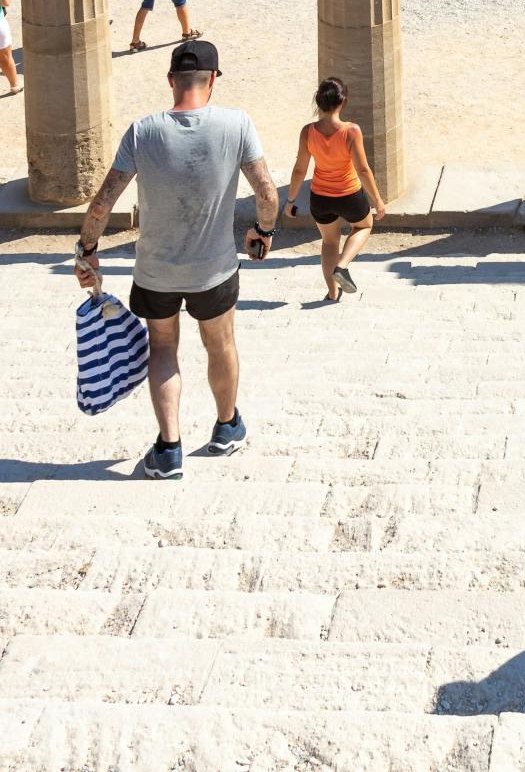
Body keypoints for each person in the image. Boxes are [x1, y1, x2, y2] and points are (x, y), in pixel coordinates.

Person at [74, 40, 278, 480]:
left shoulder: (142, 131)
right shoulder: (237, 124)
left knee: (163, 348)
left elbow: (101, 205)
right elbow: (266, 193)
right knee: (220, 344)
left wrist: (87, 251)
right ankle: (226, 427)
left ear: (171, 81)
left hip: (155, 271)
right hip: (214, 268)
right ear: (214, 80)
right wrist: (262, 233)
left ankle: (169, 449)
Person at [284, 76, 388, 303]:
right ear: (342, 102)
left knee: (329, 242)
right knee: (364, 225)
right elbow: (363, 170)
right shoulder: (351, 131)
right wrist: (378, 200)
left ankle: (332, 293)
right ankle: (342, 265)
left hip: (320, 197)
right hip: (349, 194)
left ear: (318, 102)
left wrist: (291, 200)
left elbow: (300, 170)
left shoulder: (307, 132)